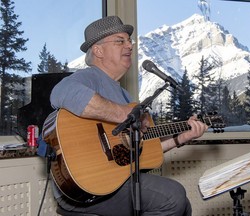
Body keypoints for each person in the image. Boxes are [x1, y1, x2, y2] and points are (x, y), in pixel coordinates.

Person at [50, 15, 208, 216]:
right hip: (85, 187)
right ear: (98, 50)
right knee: (173, 196)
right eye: (120, 41)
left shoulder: (125, 95)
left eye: (129, 41)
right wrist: (121, 113)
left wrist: (181, 138)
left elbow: (144, 150)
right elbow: (60, 92)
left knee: (183, 204)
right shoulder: (88, 77)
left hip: (113, 181)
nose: (130, 46)